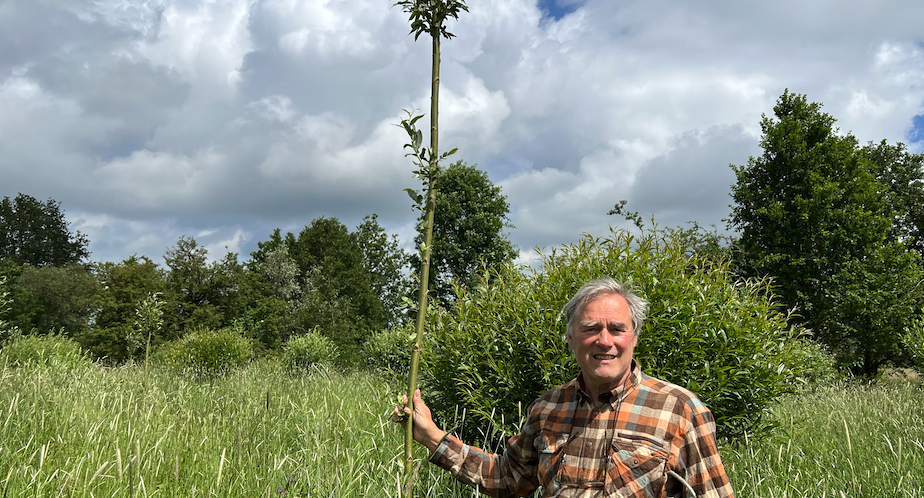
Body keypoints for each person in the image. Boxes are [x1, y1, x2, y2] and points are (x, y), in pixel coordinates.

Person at [393, 278, 735, 498]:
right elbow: (507, 479)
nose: (604, 341)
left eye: (617, 329)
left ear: (634, 338)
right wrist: (431, 436)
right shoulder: (548, 408)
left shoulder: (681, 409)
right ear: (571, 339)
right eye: (590, 328)